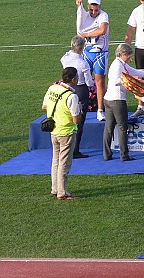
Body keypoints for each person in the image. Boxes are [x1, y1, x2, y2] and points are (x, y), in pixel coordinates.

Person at [102, 44, 144, 161]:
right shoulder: (118, 66)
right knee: (122, 127)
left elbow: (136, 72)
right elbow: (116, 81)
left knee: (108, 128)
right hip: (117, 100)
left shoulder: (120, 64)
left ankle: (107, 154)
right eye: (129, 56)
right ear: (123, 54)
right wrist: (130, 80)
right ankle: (124, 155)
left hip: (108, 99)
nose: (130, 59)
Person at [42, 67, 81, 200]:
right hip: (67, 132)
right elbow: (76, 119)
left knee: (56, 161)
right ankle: (62, 192)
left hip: (54, 130)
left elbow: (45, 106)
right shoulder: (72, 96)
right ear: (73, 79)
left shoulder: (53, 88)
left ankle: (55, 188)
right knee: (64, 163)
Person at [60, 35, 94, 158]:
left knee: (66, 116)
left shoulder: (65, 58)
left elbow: (62, 60)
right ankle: (75, 150)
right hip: (80, 90)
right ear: (82, 48)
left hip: (66, 87)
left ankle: (65, 146)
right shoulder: (83, 63)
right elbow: (89, 82)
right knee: (78, 121)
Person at [75, 0, 109, 121]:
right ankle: (80, 108)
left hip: (100, 53)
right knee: (81, 80)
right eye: (92, 10)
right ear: (88, 6)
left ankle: (100, 110)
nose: (94, 12)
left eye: (96, 9)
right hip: (87, 52)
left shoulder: (103, 15)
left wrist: (87, 34)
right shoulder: (84, 15)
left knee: (99, 82)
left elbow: (102, 30)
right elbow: (79, 29)